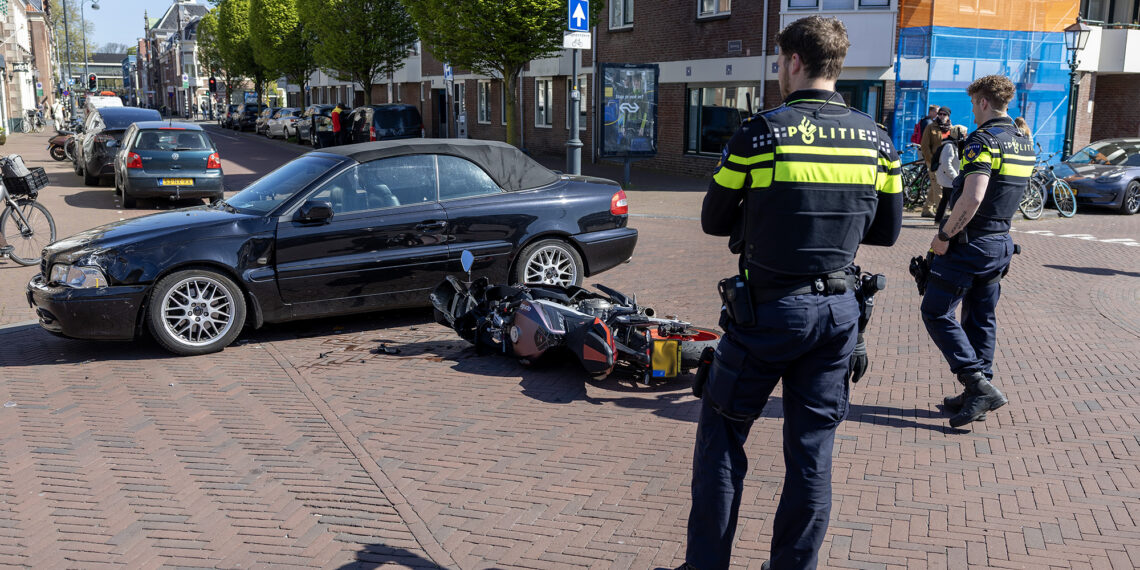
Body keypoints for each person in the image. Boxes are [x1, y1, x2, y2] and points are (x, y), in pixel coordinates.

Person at [678, 15, 903, 570]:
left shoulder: (761, 132)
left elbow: (713, 219)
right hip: (838, 314)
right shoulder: (878, 140)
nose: (780, 70)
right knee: (811, 455)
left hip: (766, 314)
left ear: (795, 62)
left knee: (723, 440)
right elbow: (888, 232)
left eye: (780, 61)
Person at [922, 75, 1032, 428]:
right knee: (980, 317)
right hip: (1000, 242)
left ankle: (977, 384)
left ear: (983, 102)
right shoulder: (1022, 142)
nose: (972, 109)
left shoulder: (982, 142)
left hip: (971, 244)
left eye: (973, 103)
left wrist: (944, 234)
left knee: (936, 311)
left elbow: (973, 197)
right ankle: (976, 394)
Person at [931, 123, 969, 222]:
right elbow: (946, 164)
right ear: (959, 134)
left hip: (949, 178)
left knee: (945, 200)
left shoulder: (955, 145)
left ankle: (938, 219)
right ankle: (954, 221)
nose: (966, 135)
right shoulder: (949, 146)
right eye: (965, 133)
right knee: (954, 201)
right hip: (949, 179)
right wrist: (955, 177)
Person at [920, 107, 952, 218]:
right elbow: (924, 146)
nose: (941, 116)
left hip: (946, 162)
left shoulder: (951, 129)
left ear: (948, 116)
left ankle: (926, 209)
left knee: (935, 186)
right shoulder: (930, 127)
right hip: (934, 162)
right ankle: (941, 211)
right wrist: (931, 160)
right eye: (940, 114)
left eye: (944, 114)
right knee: (939, 186)